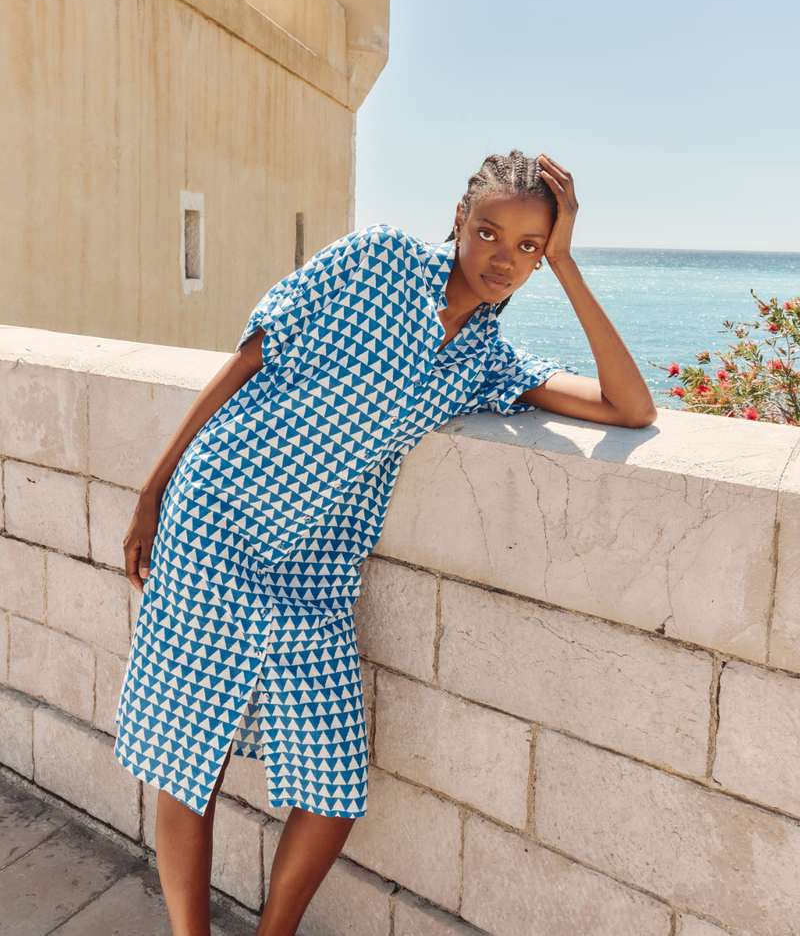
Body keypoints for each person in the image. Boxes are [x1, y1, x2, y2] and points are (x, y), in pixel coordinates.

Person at [118, 150, 656, 936]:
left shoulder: (486, 361)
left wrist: (570, 264)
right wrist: (153, 489)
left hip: (315, 569)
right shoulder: (376, 259)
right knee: (186, 756)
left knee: (332, 784)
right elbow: (250, 354)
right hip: (217, 519)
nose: (504, 257)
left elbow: (629, 406)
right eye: (488, 232)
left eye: (530, 245)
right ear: (458, 221)